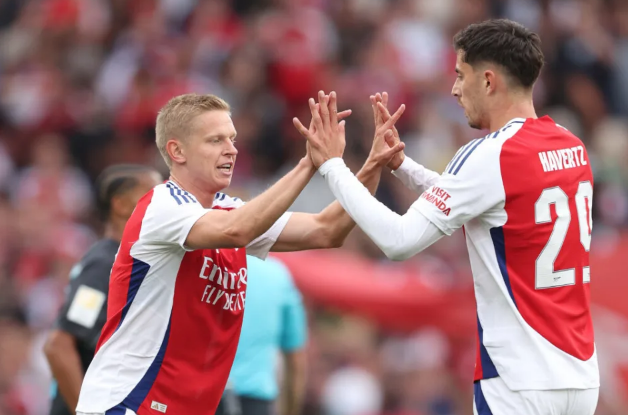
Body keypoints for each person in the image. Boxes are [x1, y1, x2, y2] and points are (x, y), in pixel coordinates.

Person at [297, 19, 600, 415]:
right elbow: (492, 200)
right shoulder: (570, 144)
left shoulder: (489, 154)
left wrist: (333, 166)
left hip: (519, 382)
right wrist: (405, 167)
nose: (455, 90)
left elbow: (399, 240)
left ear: (488, 81)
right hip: (579, 376)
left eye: (460, 76)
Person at [75, 92, 405, 415]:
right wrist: (308, 163)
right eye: (215, 140)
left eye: (232, 139)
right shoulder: (163, 205)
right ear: (177, 151)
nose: (231, 150)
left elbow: (326, 230)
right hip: (129, 403)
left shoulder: (227, 209)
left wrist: (372, 166)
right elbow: (238, 230)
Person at [44, 165, 163, 415]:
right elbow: (59, 345)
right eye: (151, 193)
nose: (163, 202)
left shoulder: (129, 260)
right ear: (119, 205)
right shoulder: (104, 264)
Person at [215, 255, 307, 415]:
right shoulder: (279, 275)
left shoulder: (208, 263)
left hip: (201, 396)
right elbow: (296, 362)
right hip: (255, 403)